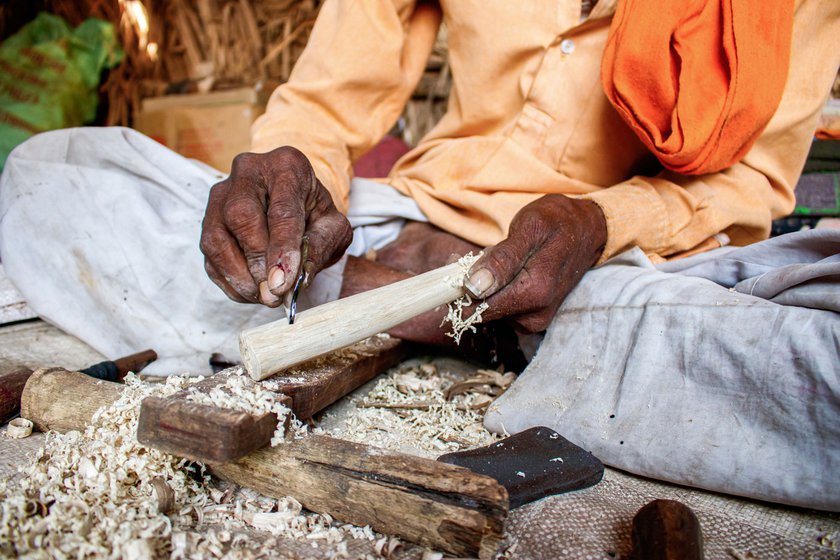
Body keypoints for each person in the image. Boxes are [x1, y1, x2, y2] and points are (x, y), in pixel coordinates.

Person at [198, 0, 840, 365]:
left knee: (803, 355)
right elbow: (323, 103)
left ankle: (384, 293)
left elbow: (752, 183)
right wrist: (288, 174)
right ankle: (461, 315)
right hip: (414, 209)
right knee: (106, 174)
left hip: (599, 261)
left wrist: (602, 223)